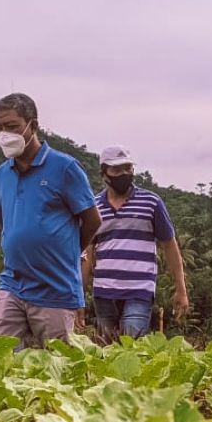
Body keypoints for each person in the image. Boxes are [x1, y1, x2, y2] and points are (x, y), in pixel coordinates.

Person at [0, 93, 102, 349]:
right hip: (13, 284)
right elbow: (6, 224)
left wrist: (70, 252)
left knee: (58, 369)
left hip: (54, 288)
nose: (4, 134)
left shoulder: (65, 168)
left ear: (33, 125)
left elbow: (93, 220)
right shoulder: (0, 176)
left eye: (12, 126)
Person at [82, 145, 189, 341]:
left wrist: (181, 289)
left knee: (132, 345)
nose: (123, 174)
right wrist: (79, 294)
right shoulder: (94, 206)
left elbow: (170, 246)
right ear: (104, 173)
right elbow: (87, 252)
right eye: (116, 170)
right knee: (107, 348)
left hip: (139, 289)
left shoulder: (151, 202)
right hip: (104, 291)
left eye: (128, 169)